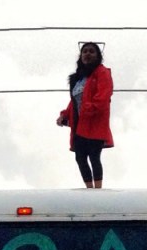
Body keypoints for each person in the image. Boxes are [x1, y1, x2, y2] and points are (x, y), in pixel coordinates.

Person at [56, 42, 114, 189]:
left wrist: (89, 109)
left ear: (98, 56)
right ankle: (90, 189)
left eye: (91, 52)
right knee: (80, 157)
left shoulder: (102, 73)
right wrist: (65, 115)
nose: (87, 54)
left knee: (94, 156)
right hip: (80, 125)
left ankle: (98, 189)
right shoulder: (77, 79)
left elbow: (103, 96)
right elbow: (74, 101)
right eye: (85, 51)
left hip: (94, 123)